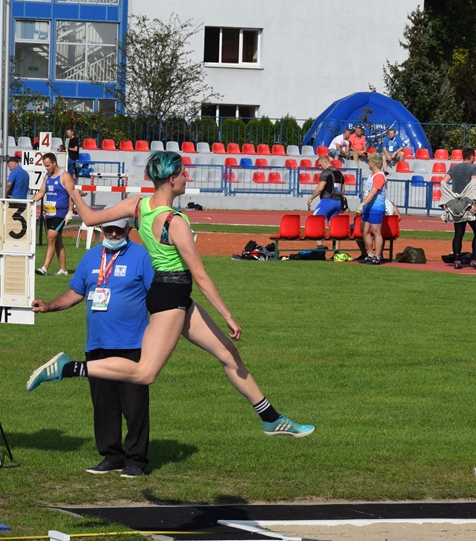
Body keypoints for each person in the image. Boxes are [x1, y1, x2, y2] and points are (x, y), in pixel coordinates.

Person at [27, 150, 314, 438]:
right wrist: (227, 315)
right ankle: (68, 368)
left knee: (229, 353)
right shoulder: (175, 222)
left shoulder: (138, 206)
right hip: (170, 299)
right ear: (172, 179)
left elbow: (89, 218)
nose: (186, 178)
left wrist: (73, 191)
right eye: (183, 173)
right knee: (145, 372)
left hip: (172, 296)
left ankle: (270, 418)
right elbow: (200, 276)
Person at [32, 217, 156, 477]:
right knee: (103, 405)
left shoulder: (142, 257)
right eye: (108, 229)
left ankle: (135, 460)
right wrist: (49, 306)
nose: (113, 233)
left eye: (118, 229)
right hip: (97, 344)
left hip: (132, 344)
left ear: (128, 229)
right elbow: (76, 292)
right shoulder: (91, 257)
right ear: (100, 229)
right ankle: (112, 456)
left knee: (134, 405)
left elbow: (156, 298)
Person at [443, 148, 476, 270]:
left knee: (458, 233)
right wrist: (474, 203)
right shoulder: (475, 167)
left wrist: (446, 200)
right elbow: (473, 185)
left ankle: (457, 261)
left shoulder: (454, 168)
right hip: (469, 203)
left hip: (457, 204)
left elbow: (443, 182)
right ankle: (475, 260)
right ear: (472, 156)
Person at [32, 152, 70, 276]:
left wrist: (70, 211)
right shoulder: (47, 177)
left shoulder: (65, 176)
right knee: (57, 241)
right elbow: (41, 192)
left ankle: (44, 268)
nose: (46, 168)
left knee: (50, 238)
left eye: (48, 165)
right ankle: (63, 270)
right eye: (45, 165)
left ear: (54, 163)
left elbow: (72, 195)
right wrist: (29, 203)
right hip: (50, 213)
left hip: (60, 213)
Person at [359, 156, 388, 265]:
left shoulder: (379, 176)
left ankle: (377, 256)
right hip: (368, 206)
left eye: (370, 161)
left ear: (375, 163)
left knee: (376, 232)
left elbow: (373, 192)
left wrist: (362, 204)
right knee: (364, 230)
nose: (368, 163)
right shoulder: (372, 175)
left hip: (376, 207)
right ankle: (370, 254)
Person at [305, 155, 345, 222]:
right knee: (332, 224)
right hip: (338, 202)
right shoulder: (340, 173)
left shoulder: (326, 172)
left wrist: (311, 198)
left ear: (326, 163)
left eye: (320, 165)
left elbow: (320, 188)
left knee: (314, 221)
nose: (320, 167)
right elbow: (343, 190)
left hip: (327, 202)